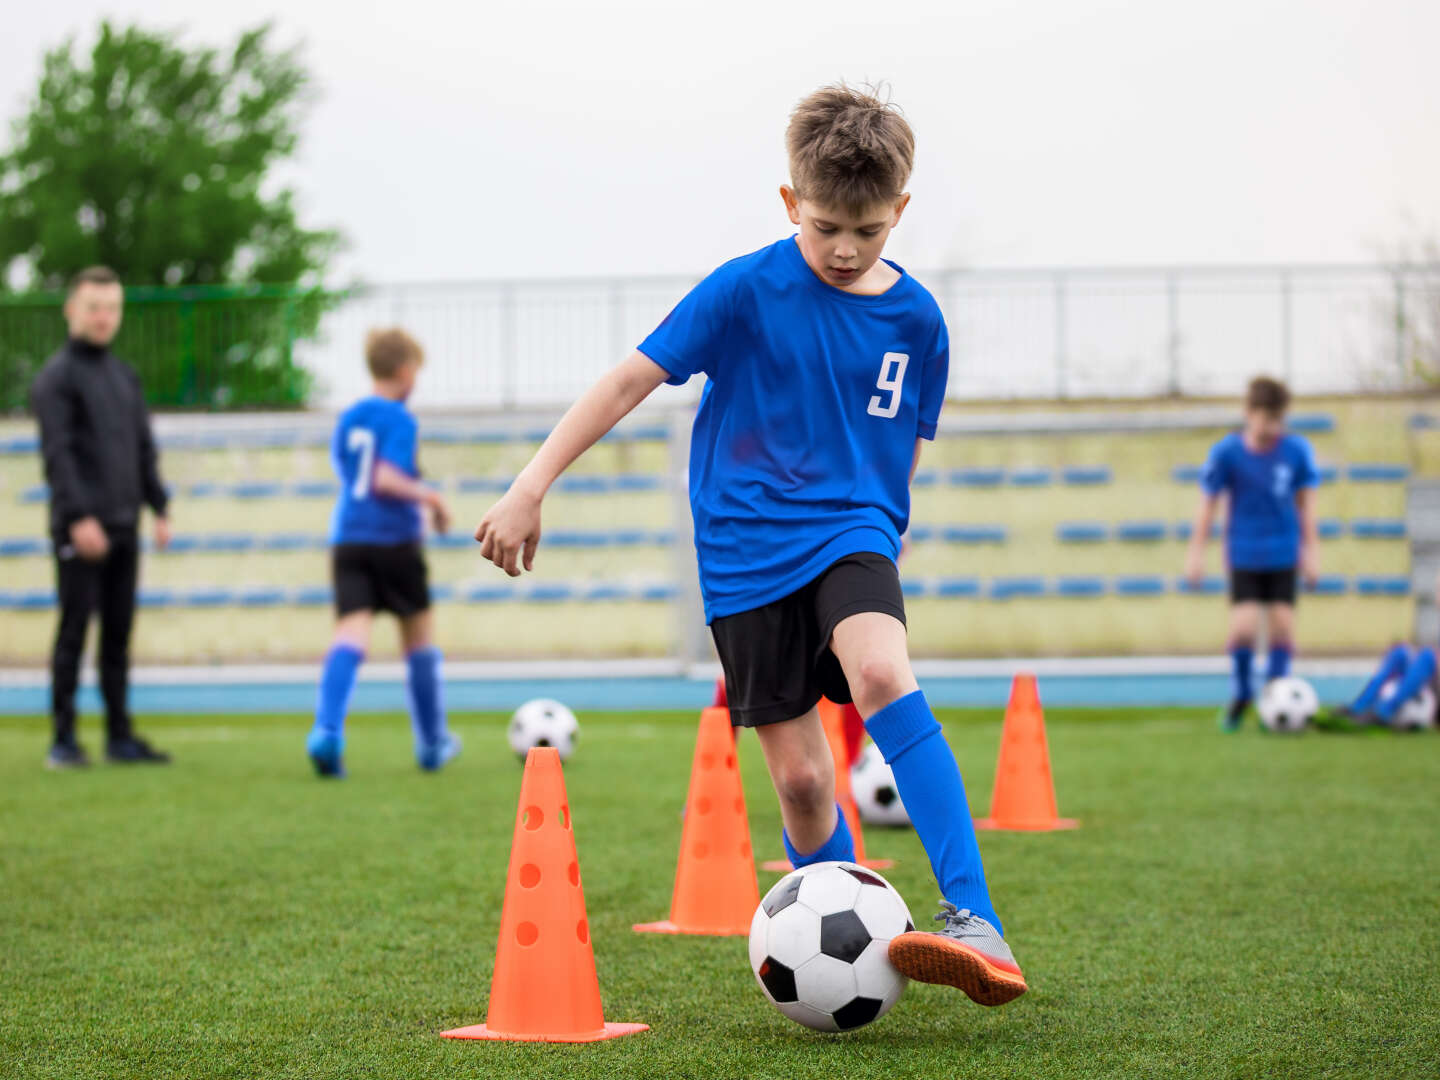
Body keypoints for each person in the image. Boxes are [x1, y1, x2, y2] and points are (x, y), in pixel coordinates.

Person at [475, 84, 1026, 1006]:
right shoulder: (743, 289)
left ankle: (974, 919)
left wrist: (882, 532)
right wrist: (531, 486)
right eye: (824, 229)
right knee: (807, 782)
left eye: (868, 231)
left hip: (852, 532)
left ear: (899, 211)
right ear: (789, 205)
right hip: (741, 554)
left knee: (885, 674)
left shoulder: (919, 320)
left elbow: (907, 441)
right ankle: (864, 927)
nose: (846, 250)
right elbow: (625, 382)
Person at [30, 266, 173, 769]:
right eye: (94, 307)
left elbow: (142, 447)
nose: (103, 317)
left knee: (118, 633)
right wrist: (77, 517)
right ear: (72, 308)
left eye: (112, 308)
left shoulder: (123, 376)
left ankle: (120, 735)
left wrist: (159, 505)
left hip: (124, 523)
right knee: (74, 630)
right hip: (82, 527)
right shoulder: (56, 378)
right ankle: (63, 739)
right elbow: (59, 454)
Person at [304, 329, 460, 778]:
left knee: (350, 634)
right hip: (393, 540)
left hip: (349, 538)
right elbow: (386, 480)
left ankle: (327, 731)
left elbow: (351, 473)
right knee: (419, 639)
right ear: (406, 369)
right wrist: (432, 499)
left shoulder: (350, 417)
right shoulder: (399, 418)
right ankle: (432, 743)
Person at [1184, 377, 1320, 731]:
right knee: (1243, 629)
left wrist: (1311, 552)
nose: (1270, 427)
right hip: (1244, 551)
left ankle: (1273, 700)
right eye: (1264, 418)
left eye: (1276, 420)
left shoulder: (1296, 451)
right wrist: (1196, 553)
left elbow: (1306, 506)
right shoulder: (1227, 452)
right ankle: (1242, 693)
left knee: (1283, 628)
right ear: (1248, 413)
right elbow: (1208, 504)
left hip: (1283, 551)